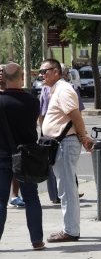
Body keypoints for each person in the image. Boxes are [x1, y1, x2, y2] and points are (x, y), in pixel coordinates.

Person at [40, 58, 94, 243]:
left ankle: (71, 230)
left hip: (65, 143)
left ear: (56, 71)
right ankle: (69, 228)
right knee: (64, 187)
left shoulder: (63, 90)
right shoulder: (54, 89)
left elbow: (75, 116)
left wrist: (84, 136)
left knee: (67, 188)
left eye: (44, 71)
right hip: (60, 143)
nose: (41, 75)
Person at [0, 62, 45, 250]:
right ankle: (36, 240)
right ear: (22, 77)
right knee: (31, 197)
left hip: (2, 156)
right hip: (26, 156)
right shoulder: (33, 101)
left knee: (1, 200)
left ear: (3, 79)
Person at [0, 64, 26, 208]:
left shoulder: (16, 94)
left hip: (15, 143)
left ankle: (15, 195)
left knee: (16, 171)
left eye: (1, 72)